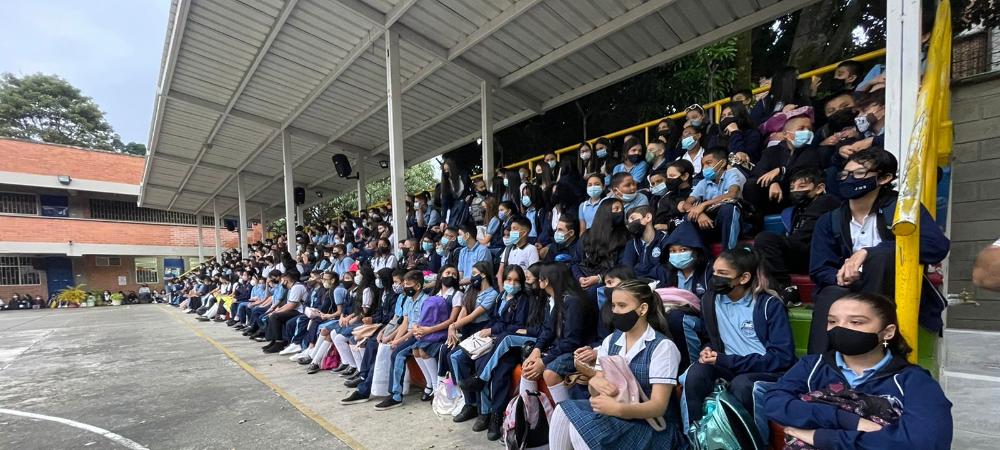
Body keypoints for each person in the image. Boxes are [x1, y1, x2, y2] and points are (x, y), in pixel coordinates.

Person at [764, 292, 953, 449]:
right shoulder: (812, 366)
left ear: (887, 332)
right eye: (832, 321)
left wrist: (823, 438)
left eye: (856, 322)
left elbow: (924, 443)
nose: (840, 328)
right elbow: (774, 403)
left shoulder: (913, 381)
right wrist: (848, 421)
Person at [809, 149, 949, 353]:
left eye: (858, 174)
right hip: (851, 287)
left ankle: (878, 354)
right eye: (845, 174)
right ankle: (818, 368)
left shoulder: (904, 210)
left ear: (884, 178)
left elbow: (936, 248)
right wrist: (841, 277)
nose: (849, 179)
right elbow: (820, 269)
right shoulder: (829, 220)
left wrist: (869, 252)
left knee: (882, 256)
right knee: (830, 294)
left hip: (890, 288)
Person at [549, 280, 686, 450]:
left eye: (622, 305)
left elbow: (658, 407)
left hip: (654, 427)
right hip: (618, 415)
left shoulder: (663, 347)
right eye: (613, 306)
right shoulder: (611, 340)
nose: (615, 311)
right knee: (563, 411)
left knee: (583, 429)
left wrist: (619, 409)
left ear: (642, 309)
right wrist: (594, 383)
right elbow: (597, 385)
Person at [682, 248, 796, 429]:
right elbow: (714, 338)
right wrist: (708, 349)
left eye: (723, 273)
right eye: (714, 272)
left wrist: (727, 360)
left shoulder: (768, 305)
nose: (715, 278)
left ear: (743, 278)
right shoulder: (709, 300)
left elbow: (782, 358)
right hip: (728, 365)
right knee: (695, 373)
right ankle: (693, 436)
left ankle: (755, 443)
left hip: (766, 371)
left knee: (742, 385)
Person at [754, 168, 840, 305]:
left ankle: (786, 289)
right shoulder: (799, 208)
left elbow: (803, 238)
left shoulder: (826, 202)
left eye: (802, 186)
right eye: (792, 188)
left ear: (819, 188)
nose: (796, 191)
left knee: (766, 239)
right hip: (802, 252)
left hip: (817, 255)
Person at [520, 263, 597, 405]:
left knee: (549, 372)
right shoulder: (556, 298)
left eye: (540, 278)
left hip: (578, 351)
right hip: (561, 347)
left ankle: (565, 416)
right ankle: (530, 417)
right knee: (528, 367)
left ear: (546, 281)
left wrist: (544, 362)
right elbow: (548, 330)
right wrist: (537, 350)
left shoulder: (573, 301)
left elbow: (572, 342)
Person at [679, 147, 747, 250]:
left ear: (722, 163)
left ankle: (728, 253)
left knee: (729, 208)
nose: (704, 168)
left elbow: (732, 194)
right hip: (709, 222)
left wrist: (703, 205)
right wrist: (700, 214)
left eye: (708, 163)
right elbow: (687, 204)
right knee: (688, 217)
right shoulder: (703, 182)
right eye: (703, 165)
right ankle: (704, 257)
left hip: (732, 220)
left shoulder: (732, 174)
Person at [620, 205, 670, 287]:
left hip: (659, 285)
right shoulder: (631, 244)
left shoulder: (665, 239)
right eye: (628, 222)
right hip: (637, 285)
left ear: (648, 217)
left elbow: (666, 269)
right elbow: (627, 269)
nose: (630, 223)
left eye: (633, 218)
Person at [262, 270, 306, 354]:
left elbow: (291, 306)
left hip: (300, 311)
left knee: (275, 317)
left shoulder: (297, 287)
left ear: (287, 280)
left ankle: (279, 343)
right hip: (294, 310)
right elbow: (288, 304)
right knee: (272, 315)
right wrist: (277, 310)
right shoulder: (291, 288)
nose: (281, 282)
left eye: (282, 280)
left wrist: (276, 313)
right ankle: (274, 341)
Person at [653, 160, 695, 233]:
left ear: (685, 176)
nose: (668, 179)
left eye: (672, 176)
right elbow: (658, 225)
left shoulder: (696, 194)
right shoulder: (665, 198)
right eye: (667, 176)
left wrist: (669, 226)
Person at [497, 216, 539, 282]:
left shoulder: (531, 249)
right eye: (511, 229)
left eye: (514, 229)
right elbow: (500, 273)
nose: (511, 232)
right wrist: (502, 290)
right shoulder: (508, 249)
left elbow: (533, 274)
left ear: (524, 233)